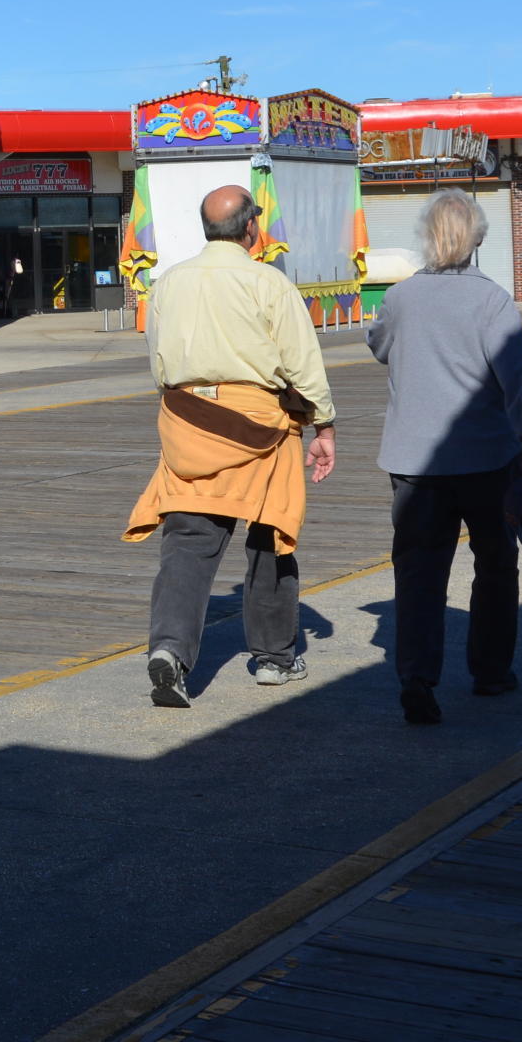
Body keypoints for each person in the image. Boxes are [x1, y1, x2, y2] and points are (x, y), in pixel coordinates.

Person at [124, 184, 336, 705]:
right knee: (269, 537)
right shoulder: (269, 283)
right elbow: (302, 363)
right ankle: (274, 659)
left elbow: (158, 362)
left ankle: (170, 650)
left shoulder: (168, 284)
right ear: (251, 228)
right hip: (260, 425)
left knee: (188, 542)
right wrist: (324, 425)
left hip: (188, 421)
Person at [368, 190, 522, 726]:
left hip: (414, 463)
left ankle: (416, 677)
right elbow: (519, 382)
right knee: (495, 565)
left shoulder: (400, 298)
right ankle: (491, 671)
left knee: (419, 572)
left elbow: (379, 345)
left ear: (428, 238)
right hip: (488, 459)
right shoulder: (493, 300)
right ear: (477, 238)